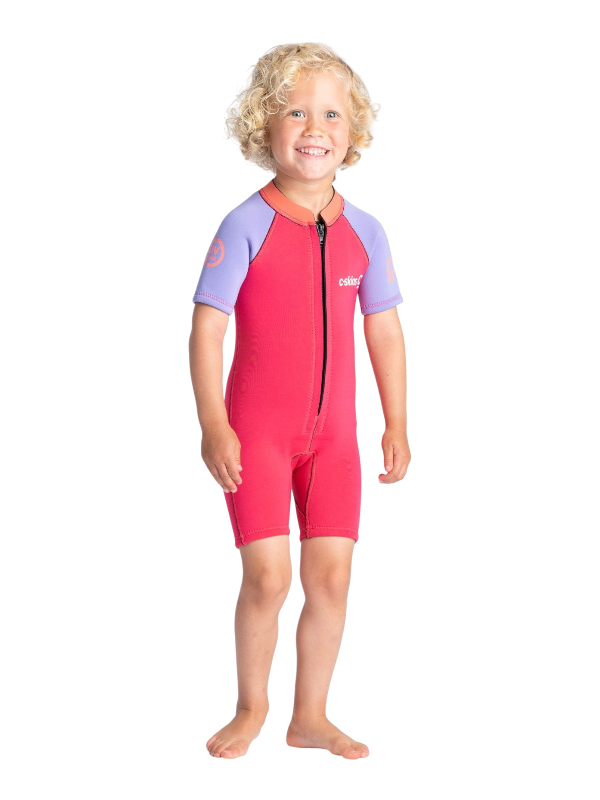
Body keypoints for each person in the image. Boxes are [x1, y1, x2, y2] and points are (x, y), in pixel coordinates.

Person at [189, 42, 411, 760]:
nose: (314, 128)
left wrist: (397, 422)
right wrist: (214, 424)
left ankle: (309, 715)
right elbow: (206, 330)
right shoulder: (243, 224)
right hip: (254, 432)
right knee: (268, 576)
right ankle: (251, 707)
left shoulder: (367, 232)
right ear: (263, 125)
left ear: (353, 131)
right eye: (294, 112)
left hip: (337, 440)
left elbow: (384, 331)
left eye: (330, 114)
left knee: (332, 577)